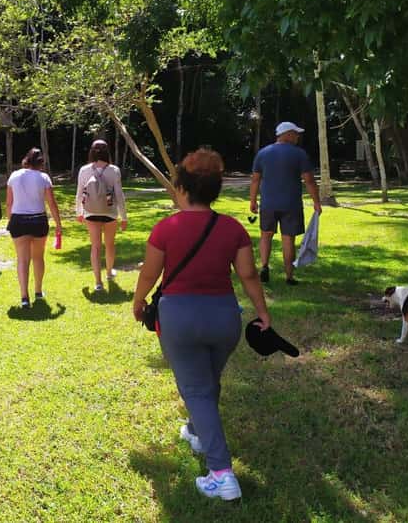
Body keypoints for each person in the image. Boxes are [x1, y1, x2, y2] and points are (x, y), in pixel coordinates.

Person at [133, 148, 272, 501]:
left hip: (180, 318)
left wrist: (138, 302)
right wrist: (262, 311)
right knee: (207, 382)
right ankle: (196, 430)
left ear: (181, 187)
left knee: (196, 389)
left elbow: (150, 274)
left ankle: (221, 474)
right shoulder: (233, 228)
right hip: (225, 319)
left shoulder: (166, 228)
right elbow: (248, 275)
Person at [249, 121, 322, 285]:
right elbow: (309, 181)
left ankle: (264, 267)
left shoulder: (263, 153)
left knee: (265, 235)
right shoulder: (299, 154)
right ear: (287, 134)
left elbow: (255, 180)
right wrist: (316, 202)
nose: (297, 137)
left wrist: (253, 201)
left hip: (268, 204)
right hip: (291, 204)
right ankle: (289, 276)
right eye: (295, 133)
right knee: (288, 239)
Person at [6, 148, 62, 308]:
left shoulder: (14, 176)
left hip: (18, 220)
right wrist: (58, 224)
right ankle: (38, 290)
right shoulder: (43, 177)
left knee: (22, 260)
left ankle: (24, 297)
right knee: (38, 257)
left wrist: (11, 220)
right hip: (38, 220)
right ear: (41, 162)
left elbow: (9, 203)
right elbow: (51, 203)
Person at [75, 139, 127, 292]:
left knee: (95, 247)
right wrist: (123, 217)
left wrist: (79, 212)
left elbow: (79, 193)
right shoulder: (114, 170)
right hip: (110, 213)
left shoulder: (84, 170)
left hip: (91, 213)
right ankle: (109, 272)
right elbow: (119, 195)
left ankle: (98, 282)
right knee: (110, 245)